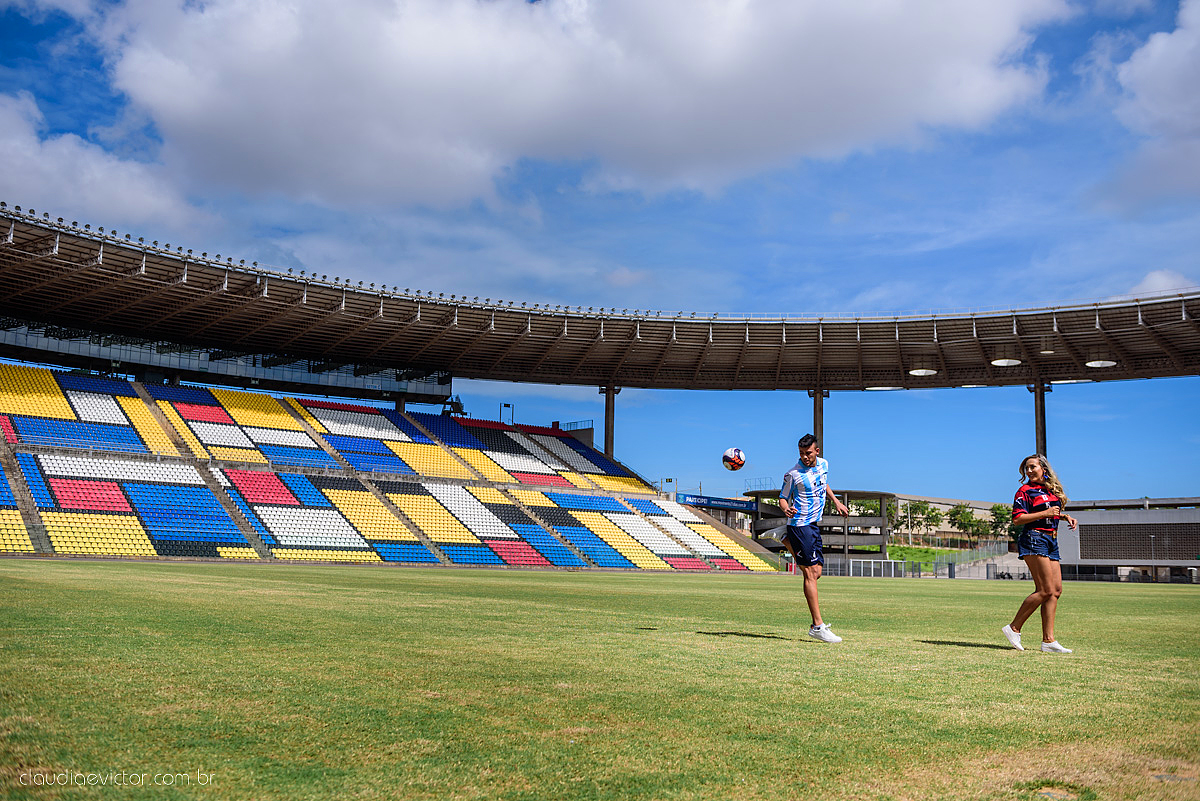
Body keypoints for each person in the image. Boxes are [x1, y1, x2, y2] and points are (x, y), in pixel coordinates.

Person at [1001, 454, 1078, 653]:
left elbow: (1050, 512)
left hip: (1051, 540)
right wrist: (1046, 514)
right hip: (1034, 539)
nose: (1029, 471)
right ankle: (1013, 628)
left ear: (1043, 468)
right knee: (1044, 590)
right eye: (1026, 468)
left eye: (1032, 467)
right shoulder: (1024, 491)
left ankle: (1049, 641)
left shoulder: (1049, 490)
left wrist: (1064, 516)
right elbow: (1018, 519)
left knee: (1056, 591)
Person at [778, 433, 850, 643]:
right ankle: (817, 626)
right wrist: (786, 509)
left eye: (808, 453)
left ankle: (784, 539)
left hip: (813, 524)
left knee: (817, 572)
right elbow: (782, 498)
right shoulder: (793, 474)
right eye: (801, 453)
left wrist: (836, 502)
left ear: (817, 451)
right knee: (809, 574)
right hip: (799, 524)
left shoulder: (824, 465)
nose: (805, 457)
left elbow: (824, 483)